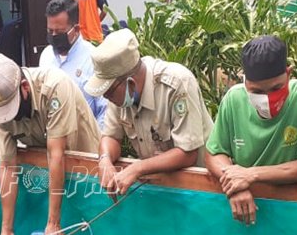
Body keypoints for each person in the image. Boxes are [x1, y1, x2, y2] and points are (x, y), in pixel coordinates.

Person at [0, 53, 100, 235]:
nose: (9, 117)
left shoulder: (55, 85)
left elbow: (56, 155)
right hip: (51, 173)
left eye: (13, 109)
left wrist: (53, 222)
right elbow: (7, 166)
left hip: (86, 171)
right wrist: (6, 229)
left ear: (24, 88)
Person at [205, 36, 297, 225]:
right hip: (247, 210)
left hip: (296, 211)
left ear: (289, 74)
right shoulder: (233, 99)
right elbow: (214, 153)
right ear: (244, 82)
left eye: (276, 88)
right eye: (257, 92)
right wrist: (235, 184)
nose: (267, 99)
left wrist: (250, 175)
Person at [89, 29, 214, 199]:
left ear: (130, 83)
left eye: (109, 92)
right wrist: (104, 159)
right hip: (161, 187)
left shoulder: (177, 83)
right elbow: (111, 136)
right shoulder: (119, 95)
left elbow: (187, 152)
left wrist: (137, 168)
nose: (106, 98)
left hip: (200, 188)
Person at [39, 0, 107, 128]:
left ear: (76, 29)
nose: (53, 36)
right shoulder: (46, 56)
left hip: (85, 142)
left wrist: (96, 143)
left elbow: (105, 111)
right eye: (50, 31)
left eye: (59, 32)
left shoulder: (94, 59)